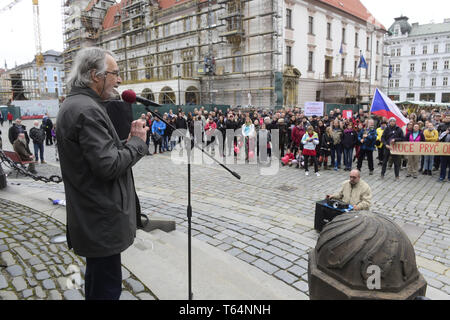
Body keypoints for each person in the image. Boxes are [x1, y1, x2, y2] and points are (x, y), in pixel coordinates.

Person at [56, 47, 148, 300]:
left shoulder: (80, 104)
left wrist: (125, 143)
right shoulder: (87, 109)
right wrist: (138, 143)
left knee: (98, 282)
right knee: (106, 288)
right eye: (115, 74)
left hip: (95, 215)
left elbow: (97, 155)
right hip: (101, 216)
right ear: (96, 75)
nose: (119, 80)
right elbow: (107, 166)